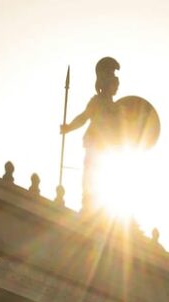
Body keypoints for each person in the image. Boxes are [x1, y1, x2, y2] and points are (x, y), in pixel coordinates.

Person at [61, 57, 122, 210]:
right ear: (106, 83)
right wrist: (68, 127)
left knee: (104, 178)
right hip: (95, 144)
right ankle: (88, 204)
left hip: (109, 148)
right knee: (90, 175)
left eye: (117, 84)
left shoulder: (117, 108)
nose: (116, 88)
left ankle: (99, 207)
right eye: (114, 84)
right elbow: (83, 118)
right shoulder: (97, 102)